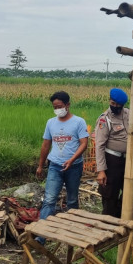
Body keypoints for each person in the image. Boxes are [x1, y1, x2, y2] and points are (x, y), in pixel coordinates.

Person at [36, 91, 89, 221]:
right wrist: (40, 166)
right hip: (55, 166)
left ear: (67, 105)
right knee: (49, 200)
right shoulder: (51, 123)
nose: (57, 110)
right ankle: (40, 236)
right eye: (55, 107)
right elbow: (45, 145)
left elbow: (84, 144)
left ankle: (71, 229)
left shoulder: (79, 122)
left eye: (59, 107)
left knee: (71, 200)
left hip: (74, 167)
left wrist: (72, 160)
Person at [94, 88, 130, 218]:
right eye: (113, 103)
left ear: (123, 105)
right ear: (110, 100)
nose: (115, 107)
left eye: (118, 105)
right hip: (112, 160)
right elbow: (99, 145)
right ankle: (107, 224)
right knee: (110, 194)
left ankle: (121, 218)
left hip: (128, 160)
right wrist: (101, 170)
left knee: (129, 192)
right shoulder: (105, 119)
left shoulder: (128, 114)